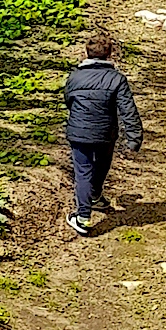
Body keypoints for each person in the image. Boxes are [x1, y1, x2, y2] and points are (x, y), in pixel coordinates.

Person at [62, 32, 143, 237]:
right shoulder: (116, 79)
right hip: (106, 133)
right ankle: (95, 197)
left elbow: (68, 99)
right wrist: (134, 137)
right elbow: (128, 109)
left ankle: (83, 217)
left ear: (87, 52)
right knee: (102, 165)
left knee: (83, 172)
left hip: (79, 133)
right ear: (109, 54)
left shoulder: (75, 76)